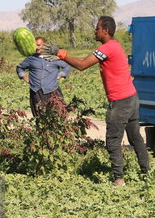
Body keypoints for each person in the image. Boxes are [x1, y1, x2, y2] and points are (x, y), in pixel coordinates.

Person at [42, 16, 149, 187]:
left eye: (97, 28)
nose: (95, 31)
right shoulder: (115, 46)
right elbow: (83, 60)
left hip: (120, 102)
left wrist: (61, 53)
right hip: (132, 98)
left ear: (106, 31)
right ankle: (146, 173)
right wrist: (63, 57)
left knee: (113, 140)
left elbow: (83, 64)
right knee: (135, 137)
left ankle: (119, 179)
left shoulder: (107, 48)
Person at [16, 36, 72, 117]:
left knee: (57, 115)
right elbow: (19, 67)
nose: (37, 47)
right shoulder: (31, 59)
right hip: (36, 91)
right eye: (35, 45)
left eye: (39, 45)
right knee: (39, 116)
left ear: (45, 45)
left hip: (52, 90)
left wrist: (60, 75)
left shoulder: (53, 57)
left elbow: (67, 65)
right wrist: (23, 76)